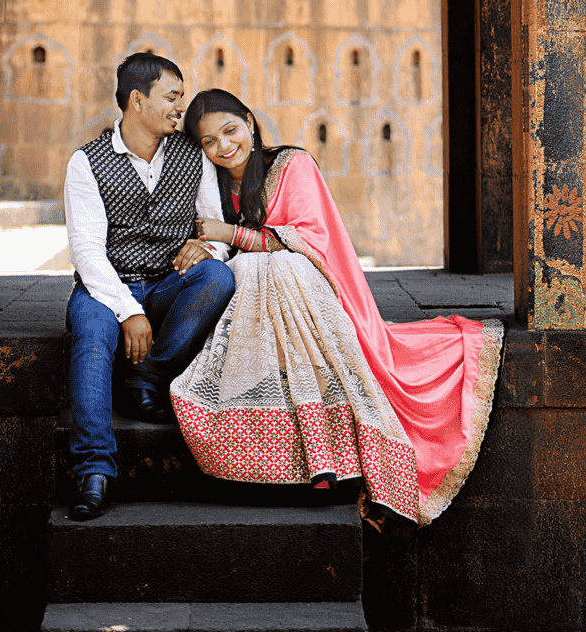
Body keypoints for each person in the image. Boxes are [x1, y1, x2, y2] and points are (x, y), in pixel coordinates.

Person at [171, 88, 504, 527]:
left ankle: (331, 454)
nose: (223, 147)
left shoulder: (292, 165)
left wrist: (228, 235)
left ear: (249, 122)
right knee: (256, 273)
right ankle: (277, 459)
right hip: (261, 308)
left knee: (275, 270)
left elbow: (309, 242)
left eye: (229, 130)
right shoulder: (211, 183)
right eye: (208, 141)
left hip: (312, 288)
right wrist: (206, 245)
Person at [64, 55, 235, 522]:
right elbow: (87, 252)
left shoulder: (190, 154)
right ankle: (94, 470)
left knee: (217, 277)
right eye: (172, 96)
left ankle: (148, 376)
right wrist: (126, 310)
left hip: (167, 285)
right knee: (91, 338)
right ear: (137, 100)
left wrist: (207, 250)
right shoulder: (86, 162)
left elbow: (210, 227)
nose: (181, 107)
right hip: (105, 288)